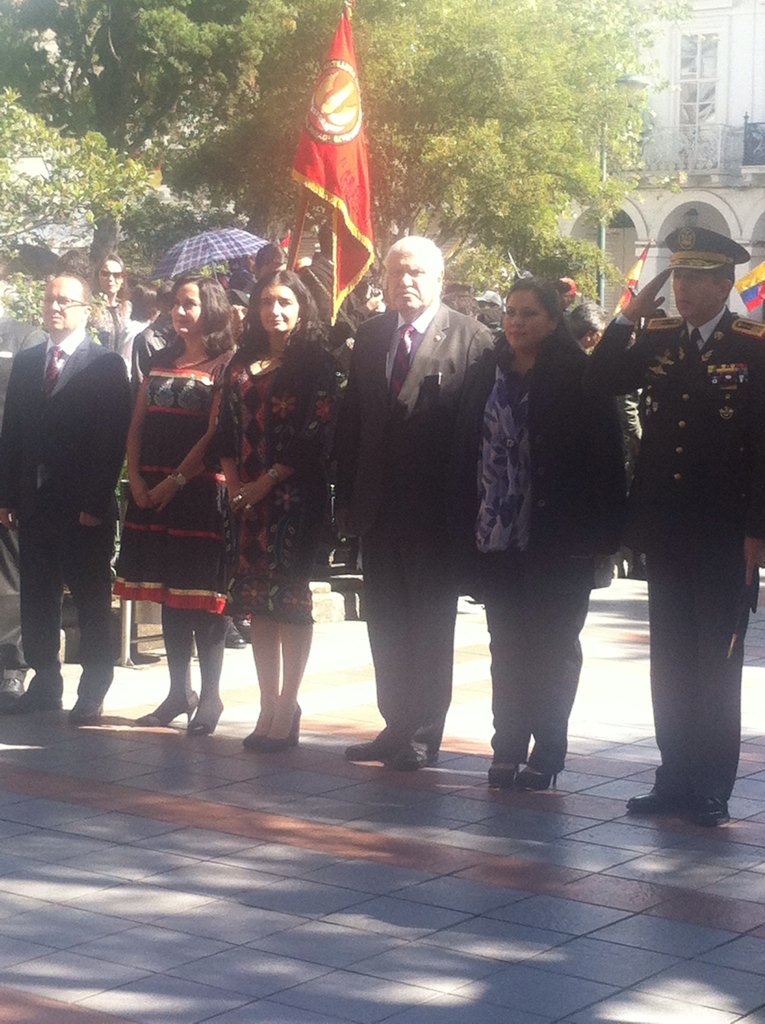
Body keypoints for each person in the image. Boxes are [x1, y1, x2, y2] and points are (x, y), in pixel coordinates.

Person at [585, 226, 765, 826]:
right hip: (665, 528)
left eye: (696, 279)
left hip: (723, 532)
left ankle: (712, 785)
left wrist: (756, 531)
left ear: (724, 283)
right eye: (678, 276)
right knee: (670, 661)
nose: (683, 289)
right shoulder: (658, 338)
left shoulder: (753, 346)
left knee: (716, 661)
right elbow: (601, 380)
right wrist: (629, 314)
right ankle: (675, 777)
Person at [450, 279, 625, 789]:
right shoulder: (488, 372)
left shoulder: (580, 376)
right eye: (510, 312)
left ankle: (547, 751)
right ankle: (506, 746)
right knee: (506, 645)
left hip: (561, 540)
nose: (516, 322)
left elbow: (609, 460)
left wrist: (602, 538)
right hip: (498, 536)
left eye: (529, 313)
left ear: (553, 320)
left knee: (553, 646)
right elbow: (465, 452)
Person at [335, 236, 494, 771]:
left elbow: (479, 439)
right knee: (384, 623)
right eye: (396, 272)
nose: (405, 282)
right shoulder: (372, 335)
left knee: (429, 626)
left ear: (439, 279)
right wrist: (347, 501)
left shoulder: (473, 340)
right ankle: (394, 724)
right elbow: (353, 423)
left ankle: (424, 733)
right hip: (378, 510)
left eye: (417, 272)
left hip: (437, 514)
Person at [0, 273, 132, 724]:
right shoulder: (30, 359)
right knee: (37, 595)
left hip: (83, 506)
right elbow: (12, 432)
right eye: (50, 299)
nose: (55, 307)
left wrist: (95, 502)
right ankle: (45, 680)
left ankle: (93, 687)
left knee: (91, 598)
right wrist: (7, 493)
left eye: (65, 301)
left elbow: (112, 440)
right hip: (34, 503)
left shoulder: (106, 364)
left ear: (86, 309)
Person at [217, 270, 337, 751]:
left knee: (289, 602)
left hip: (293, 499)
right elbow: (224, 427)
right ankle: (267, 703)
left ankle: (289, 705)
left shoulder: (317, 364)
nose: (275, 311)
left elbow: (317, 433)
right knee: (257, 604)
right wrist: (233, 483)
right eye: (267, 301)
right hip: (246, 500)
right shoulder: (240, 362)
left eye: (285, 301)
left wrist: (265, 482)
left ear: (302, 307)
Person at [115, 275, 234, 736]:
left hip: (199, 493)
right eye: (176, 305)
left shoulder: (225, 364)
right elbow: (137, 424)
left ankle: (211, 695)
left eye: (190, 304)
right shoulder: (159, 359)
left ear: (212, 309)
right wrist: (139, 478)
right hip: (153, 490)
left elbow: (214, 433)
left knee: (202, 598)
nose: (180, 313)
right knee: (169, 594)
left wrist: (177, 481)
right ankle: (176, 691)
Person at [0, 298, 44, 709]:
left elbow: (26, 420)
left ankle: (11, 667)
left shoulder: (25, 339)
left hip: (5, 474)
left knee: (10, 577)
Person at [93, 254, 130, 352]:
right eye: (105, 274)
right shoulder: (90, 307)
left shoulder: (128, 307)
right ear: (98, 276)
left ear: (122, 279)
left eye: (116, 275)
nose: (111, 279)